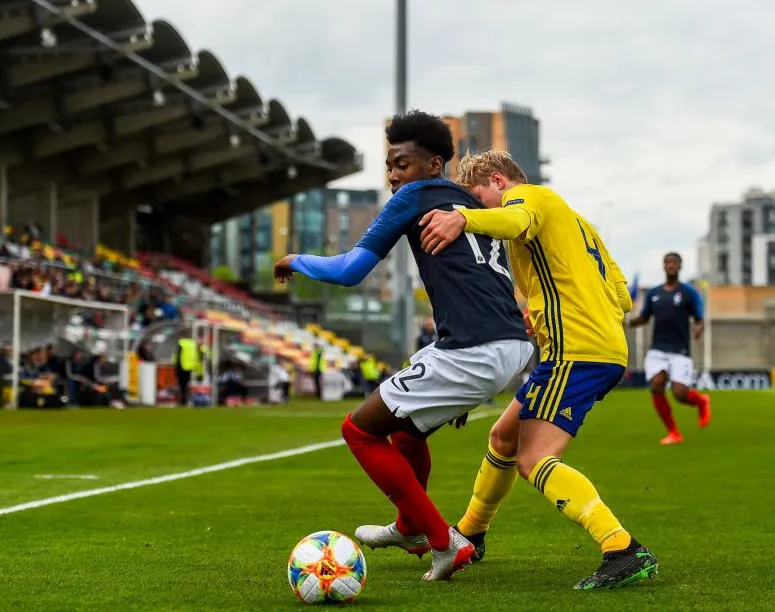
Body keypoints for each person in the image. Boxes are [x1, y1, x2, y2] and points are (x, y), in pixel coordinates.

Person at [274, 111, 534, 581]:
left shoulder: (416, 197)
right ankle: (410, 526)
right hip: (508, 345)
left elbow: (350, 270)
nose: (394, 176)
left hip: (475, 348)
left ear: (433, 165)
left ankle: (443, 542)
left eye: (402, 164)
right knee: (408, 432)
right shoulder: (469, 203)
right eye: (389, 166)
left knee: (359, 431)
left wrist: (296, 259)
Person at [417, 149, 657, 590]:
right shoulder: (578, 222)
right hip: (596, 347)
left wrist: (463, 219)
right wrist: (551, 310)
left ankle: (621, 547)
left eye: (477, 198)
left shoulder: (529, 200)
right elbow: (622, 296)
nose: (475, 208)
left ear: (498, 181)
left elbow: (514, 220)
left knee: (533, 458)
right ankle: (470, 533)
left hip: (575, 351)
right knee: (503, 437)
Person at [627, 252, 711, 445]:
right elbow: (644, 317)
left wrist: (698, 329)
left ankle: (701, 401)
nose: (671, 265)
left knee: (680, 394)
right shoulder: (654, 293)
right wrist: (627, 323)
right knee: (656, 385)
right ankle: (673, 433)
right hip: (658, 349)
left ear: (680, 266)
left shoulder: (689, 293)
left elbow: (699, 319)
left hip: (680, 350)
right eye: (667, 262)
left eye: (674, 262)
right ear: (663, 266)